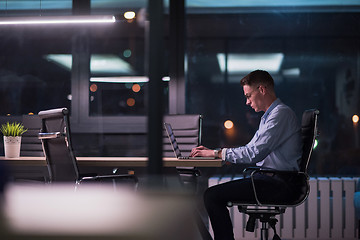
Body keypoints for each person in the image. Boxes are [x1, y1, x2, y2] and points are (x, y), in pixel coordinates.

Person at [190, 70, 302, 240]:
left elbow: (253, 153)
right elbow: (252, 149)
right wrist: (221, 155)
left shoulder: (280, 114)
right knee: (213, 195)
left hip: (278, 184)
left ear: (262, 90)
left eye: (249, 95)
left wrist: (216, 153)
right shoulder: (270, 116)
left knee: (212, 196)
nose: (247, 102)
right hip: (271, 180)